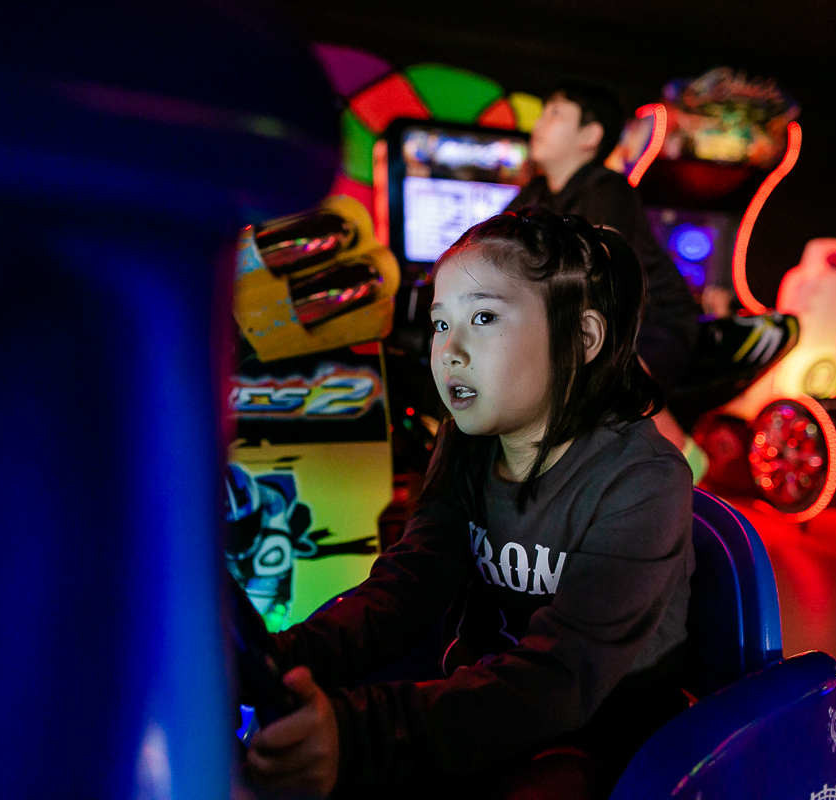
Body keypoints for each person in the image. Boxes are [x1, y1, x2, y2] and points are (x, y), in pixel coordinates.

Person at [242, 209, 694, 800]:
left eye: (482, 317)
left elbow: (561, 679)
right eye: (438, 324)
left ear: (581, 339)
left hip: (599, 731)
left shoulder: (644, 482)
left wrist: (356, 736)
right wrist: (284, 658)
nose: (448, 351)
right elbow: (407, 587)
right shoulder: (468, 442)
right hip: (483, 699)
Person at [507, 84, 706, 477]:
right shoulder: (536, 193)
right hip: (593, 316)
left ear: (590, 136)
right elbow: (492, 246)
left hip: (655, 323)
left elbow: (594, 266)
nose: (539, 124)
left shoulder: (608, 188)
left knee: (595, 348)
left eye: (555, 114)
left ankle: (684, 458)